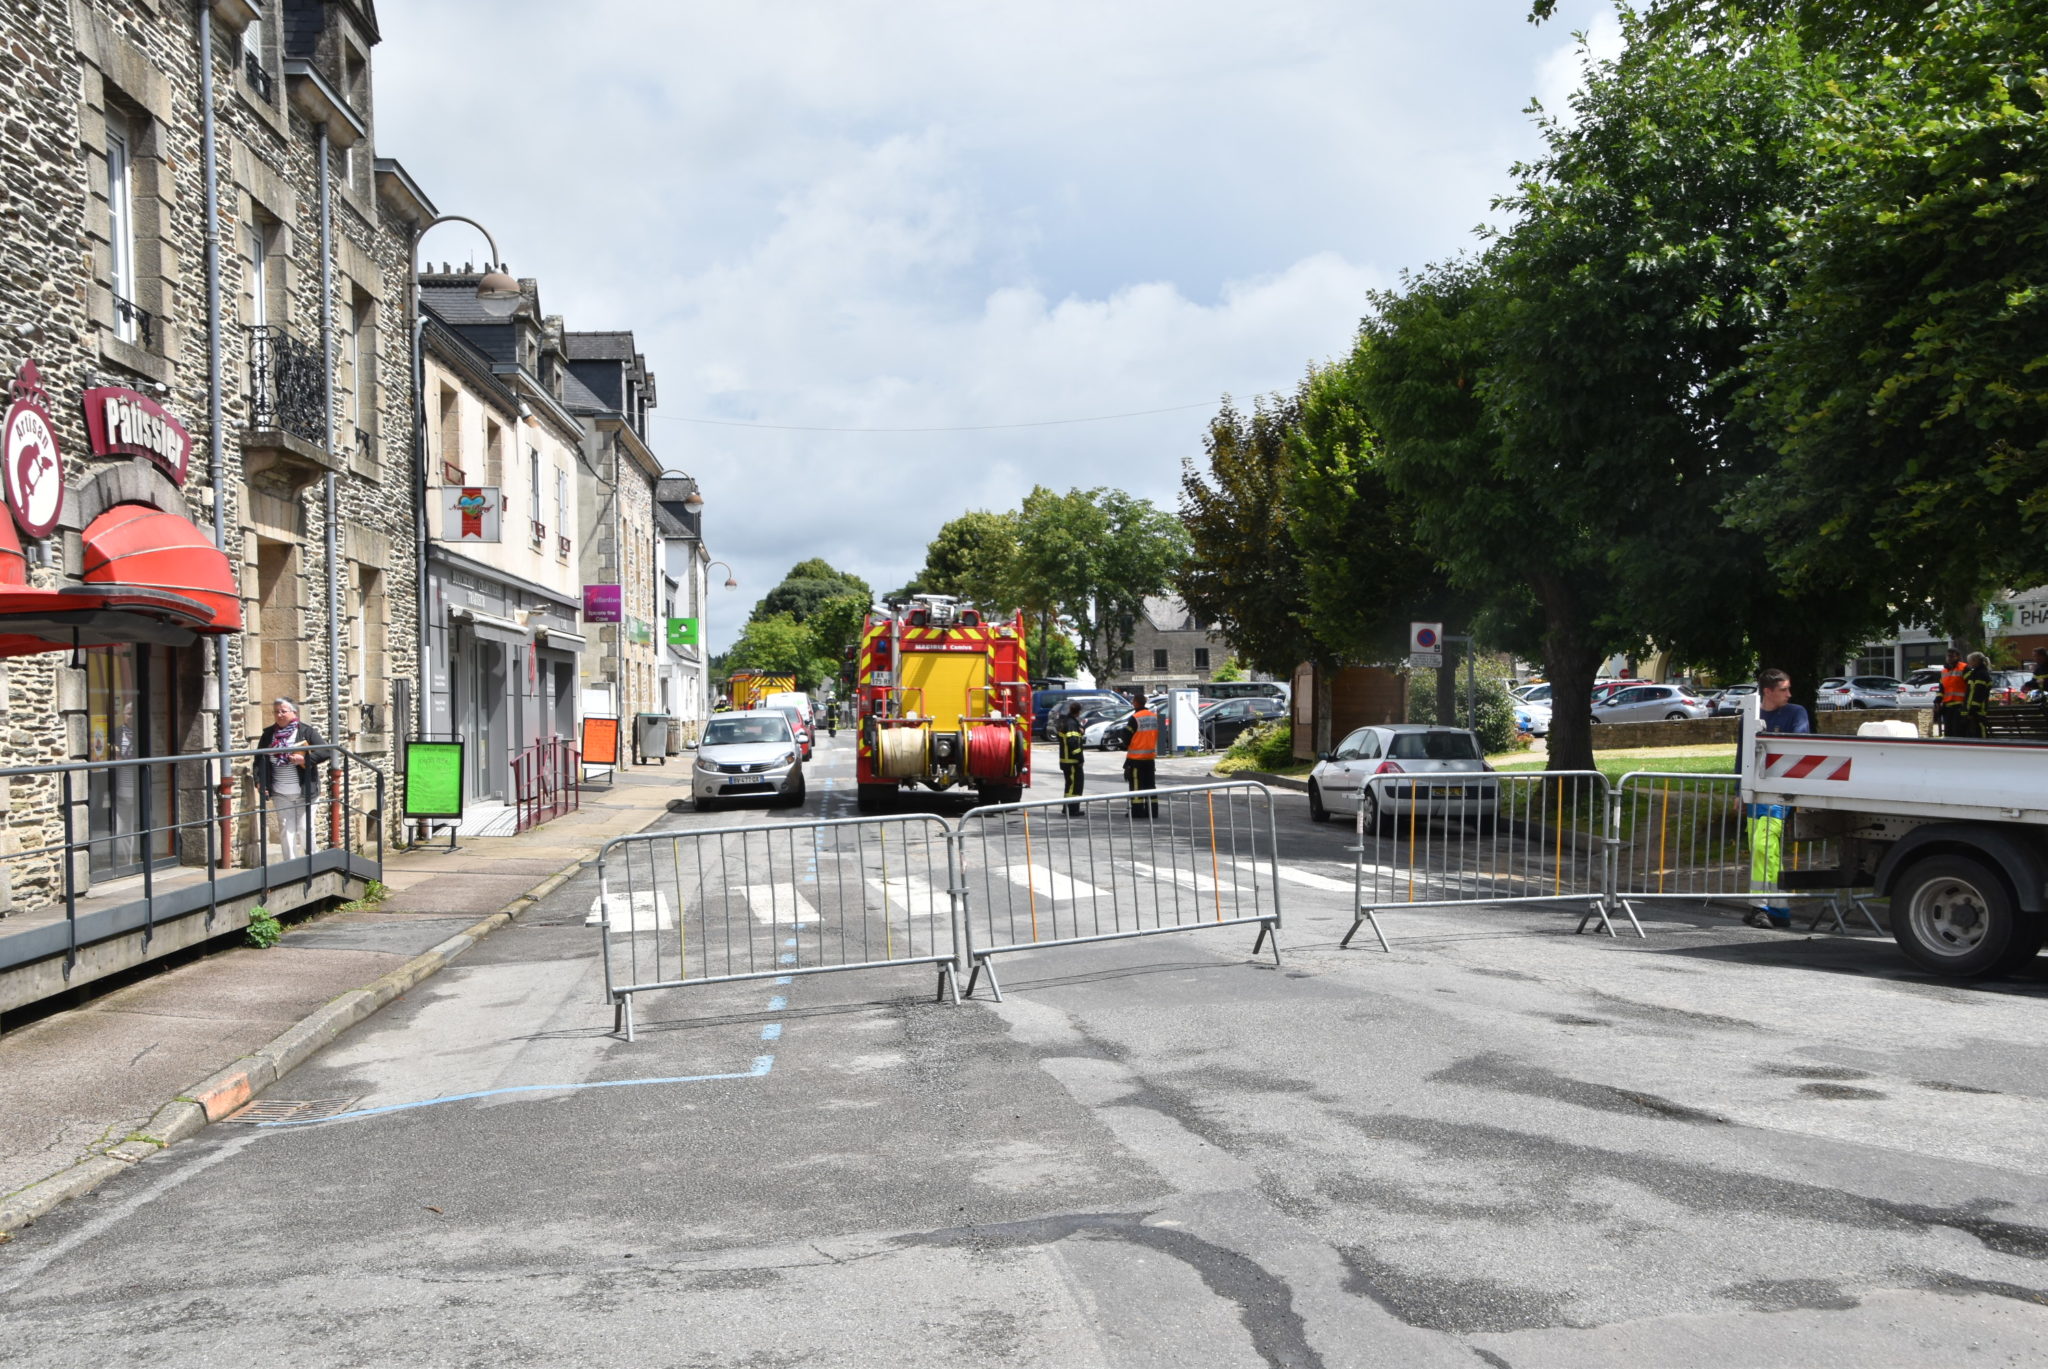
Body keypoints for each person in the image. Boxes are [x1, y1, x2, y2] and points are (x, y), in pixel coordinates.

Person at [1745, 668, 1811, 930]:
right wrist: (1739, 790)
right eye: (1783, 689)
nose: (1789, 694)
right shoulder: (1751, 715)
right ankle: (1779, 909)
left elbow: (1800, 746)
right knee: (1765, 852)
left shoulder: (1796, 713)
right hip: (1754, 792)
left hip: (1779, 794)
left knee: (1763, 846)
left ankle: (1759, 906)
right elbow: (1742, 753)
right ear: (1768, 691)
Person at [255, 698, 327, 861]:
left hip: (305, 791)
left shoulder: (306, 731)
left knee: (304, 828)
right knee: (286, 830)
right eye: (276, 711)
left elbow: (325, 752)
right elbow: (259, 760)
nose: (279, 714)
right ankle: (290, 865)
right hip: (280, 792)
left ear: (294, 712)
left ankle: (312, 862)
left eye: (283, 711)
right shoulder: (268, 735)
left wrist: (305, 759)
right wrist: (260, 781)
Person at [1123, 691, 1159, 819]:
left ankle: (1137, 811)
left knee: (1136, 785)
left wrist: (1127, 744)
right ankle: (1152, 811)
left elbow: (1126, 736)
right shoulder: (1154, 717)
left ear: (1135, 703)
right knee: (1150, 785)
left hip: (1136, 758)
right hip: (1150, 757)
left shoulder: (1135, 718)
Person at [1056, 701, 1087, 816]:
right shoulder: (1071, 724)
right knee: (1075, 785)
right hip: (1072, 761)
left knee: (1070, 785)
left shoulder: (1067, 721)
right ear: (1078, 712)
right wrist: (1079, 759)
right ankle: (1072, 809)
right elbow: (1073, 742)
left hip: (1066, 760)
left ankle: (1067, 808)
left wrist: (1081, 730)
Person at [1954, 651, 1993, 739]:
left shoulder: (1981, 674)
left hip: (1977, 710)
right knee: (1972, 734)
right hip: (1971, 709)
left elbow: (1979, 693)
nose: (1969, 664)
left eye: (1970, 661)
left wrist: (1973, 709)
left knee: (1980, 732)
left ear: (1976, 661)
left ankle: (1983, 746)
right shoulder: (1975, 673)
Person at [1938, 647, 1967, 736]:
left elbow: (1970, 687)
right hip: (1947, 706)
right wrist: (1937, 700)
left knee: (1957, 731)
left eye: (1951, 656)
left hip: (1960, 706)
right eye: (1948, 656)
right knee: (1948, 732)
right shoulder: (1944, 671)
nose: (1949, 658)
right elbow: (1941, 689)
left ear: (1957, 657)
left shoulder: (1964, 668)